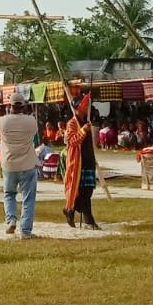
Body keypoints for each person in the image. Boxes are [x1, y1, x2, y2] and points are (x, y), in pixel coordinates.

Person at [0, 99, 39, 239]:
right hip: (27, 164)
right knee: (28, 198)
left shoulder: (1, 121)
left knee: (9, 194)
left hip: (9, 164)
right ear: (23, 106)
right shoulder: (31, 121)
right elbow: (34, 133)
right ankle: (25, 231)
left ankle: (11, 220)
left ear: (10, 105)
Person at [62, 94, 99, 229]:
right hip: (78, 162)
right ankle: (87, 219)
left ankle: (71, 210)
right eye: (85, 105)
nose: (87, 107)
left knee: (88, 190)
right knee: (81, 191)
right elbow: (72, 141)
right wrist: (83, 131)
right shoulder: (72, 123)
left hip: (88, 160)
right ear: (78, 107)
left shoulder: (87, 121)